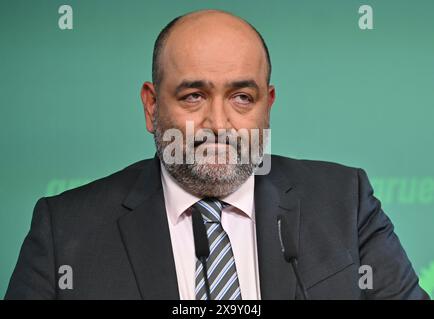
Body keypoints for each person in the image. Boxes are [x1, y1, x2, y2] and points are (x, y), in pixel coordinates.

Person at [5, 9, 429, 300]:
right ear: (152, 106)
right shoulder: (64, 229)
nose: (219, 123)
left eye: (242, 97)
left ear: (269, 104)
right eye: (193, 95)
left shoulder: (344, 201)